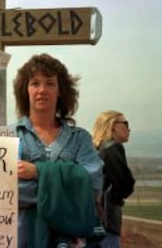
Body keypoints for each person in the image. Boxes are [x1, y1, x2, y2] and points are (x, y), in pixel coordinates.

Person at [13, 53, 104, 248]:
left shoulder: (80, 139)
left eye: (50, 83)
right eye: (35, 83)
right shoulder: (10, 137)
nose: (42, 90)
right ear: (25, 89)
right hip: (22, 239)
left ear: (61, 90)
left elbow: (94, 186)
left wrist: (37, 172)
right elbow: (6, 192)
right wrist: (69, 189)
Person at [92, 110, 135, 248]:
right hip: (107, 219)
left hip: (91, 219)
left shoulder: (94, 149)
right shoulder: (112, 147)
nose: (129, 129)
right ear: (113, 126)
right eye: (125, 124)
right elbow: (125, 185)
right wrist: (117, 197)